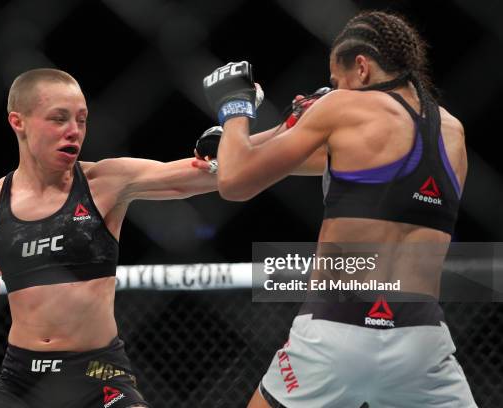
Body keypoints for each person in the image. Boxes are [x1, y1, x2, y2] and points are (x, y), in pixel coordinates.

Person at [201, 11, 477, 408]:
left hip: (336, 331)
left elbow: (235, 182)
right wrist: (240, 143)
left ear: (361, 68)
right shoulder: (453, 133)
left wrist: (235, 109)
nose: (334, 91)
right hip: (421, 341)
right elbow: (345, 166)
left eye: (336, 81)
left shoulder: (345, 108)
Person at [0, 68, 218, 408]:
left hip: (99, 372)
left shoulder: (106, 181)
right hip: (20, 380)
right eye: (59, 119)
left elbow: (208, 175)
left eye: (82, 119)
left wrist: (269, 134)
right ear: (19, 122)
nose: (74, 132)